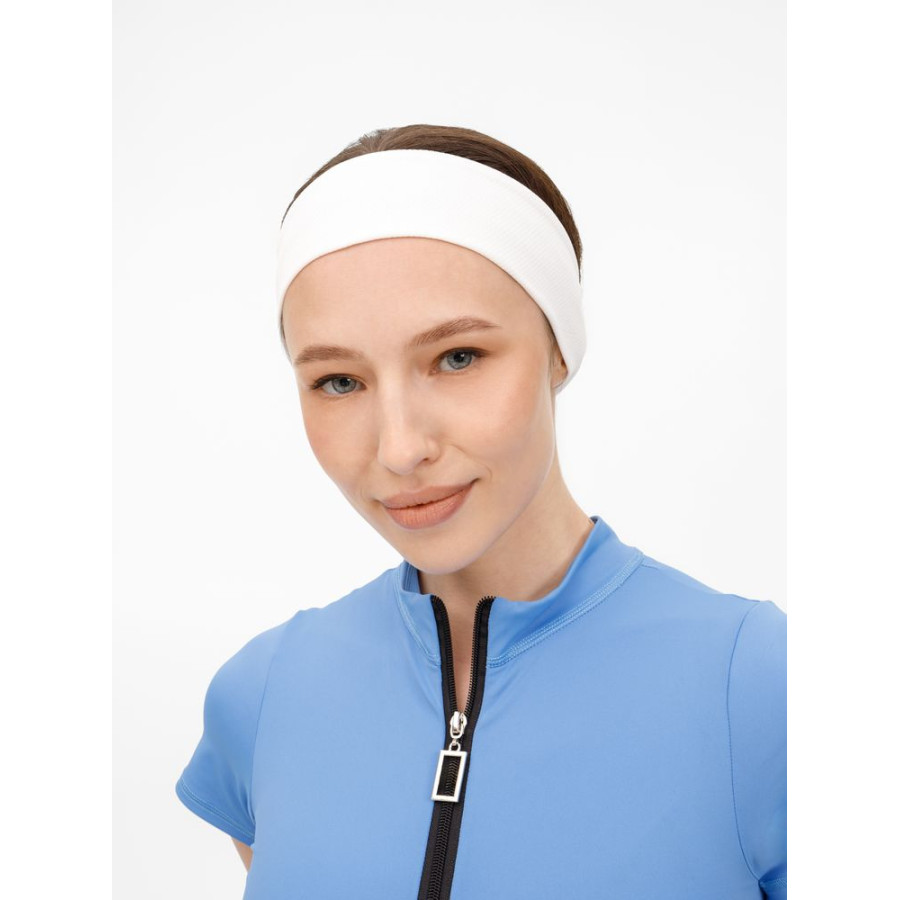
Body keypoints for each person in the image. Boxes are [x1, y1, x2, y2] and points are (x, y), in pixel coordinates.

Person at [175, 124, 787, 899]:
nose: (400, 448)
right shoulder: (262, 695)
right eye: (338, 381)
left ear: (559, 350)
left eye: (457, 357)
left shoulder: (763, 689)